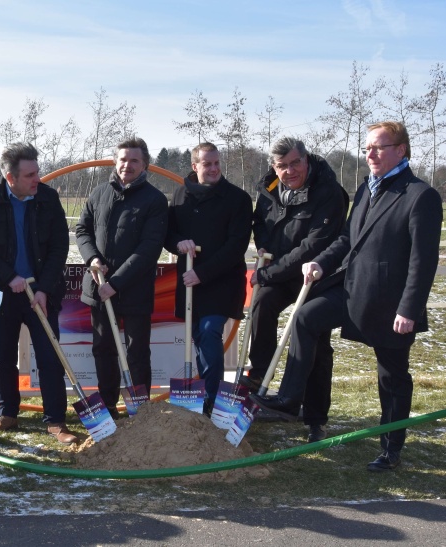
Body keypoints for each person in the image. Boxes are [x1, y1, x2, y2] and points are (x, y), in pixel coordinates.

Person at [251, 121, 442, 471]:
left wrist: (409, 310)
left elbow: (423, 262)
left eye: (378, 148)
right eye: (368, 148)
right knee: (306, 318)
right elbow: (346, 239)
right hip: (352, 290)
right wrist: (320, 264)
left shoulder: (420, 196)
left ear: (400, 150)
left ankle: (391, 449)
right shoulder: (368, 189)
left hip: (390, 303)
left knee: (392, 377)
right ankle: (291, 398)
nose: (370, 154)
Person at [0, 142, 78, 444]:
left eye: (37, 172)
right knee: (2, 357)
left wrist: (43, 289)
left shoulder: (48, 198)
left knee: (50, 356)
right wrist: (8, 276)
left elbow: (58, 247)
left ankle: (55, 421)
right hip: (1, 292)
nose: (37, 179)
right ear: (10, 177)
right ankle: (7, 414)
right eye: (29, 175)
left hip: (42, 292)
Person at [244, 137, 348, 442]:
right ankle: (260, 373)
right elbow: (261, 221)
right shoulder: (271, 187)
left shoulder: (328, 192)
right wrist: (263, 244)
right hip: (280, 269)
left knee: (314, 339)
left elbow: (313, 246)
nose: (289, 171)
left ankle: (315, 417)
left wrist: (267, 272)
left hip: (318, 273)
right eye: (281, 166)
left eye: (294, 163)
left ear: (306, 160)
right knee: (262, 303)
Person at [75, 137, 168, 420]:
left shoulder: (154, 200)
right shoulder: (99, 192)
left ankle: (139, 410)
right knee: (103, 349)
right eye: (123, 159)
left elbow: (149, 248)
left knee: (136, 352)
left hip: (134, 290)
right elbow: (82, 230)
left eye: (134, 160)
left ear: (145, 165)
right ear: (115, 161)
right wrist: (91, 258)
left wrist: (116, 283)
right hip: (98, 287)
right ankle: (107, 406)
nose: (127, 165)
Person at [163, 142, 252, 416]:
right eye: (207, 164)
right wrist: (179, 243)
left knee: (211, 331)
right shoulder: (180, 196)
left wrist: (202, 273)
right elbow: (167, 235)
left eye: (216, 163)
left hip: (222, 282)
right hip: (190, 285)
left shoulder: (237, 199)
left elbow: (236, 246)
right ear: (194, 166)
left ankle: (211, 398)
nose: (213, 169)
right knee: (198, 337)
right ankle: (200, 393)